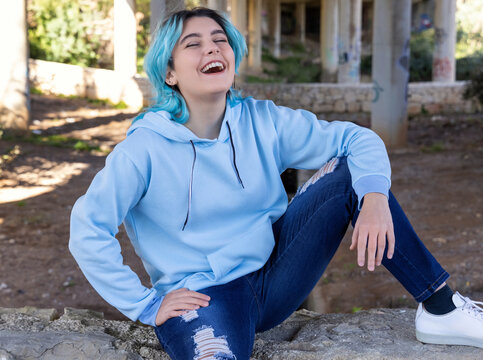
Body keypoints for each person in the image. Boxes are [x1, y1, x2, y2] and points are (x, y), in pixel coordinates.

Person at [69, 7, 483, 359]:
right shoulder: (144, 149)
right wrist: (145, 304)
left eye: (220, 40)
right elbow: (88, 229)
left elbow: (357, 139)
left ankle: (441, 307)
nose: (212, 47)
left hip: (277, 274)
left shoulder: (261, 120)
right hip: (205, 297)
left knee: (348, 173)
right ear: (169, 72)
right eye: (192, 44)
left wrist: (373, 196)